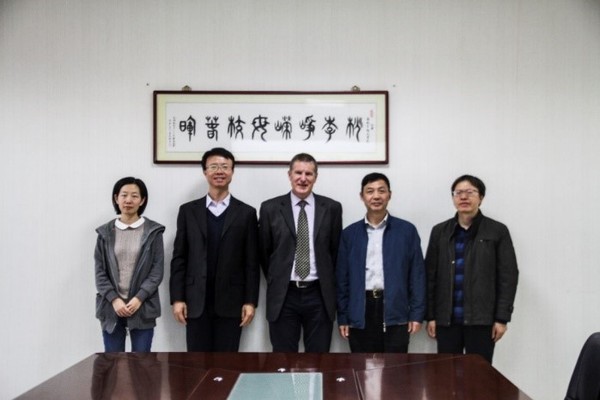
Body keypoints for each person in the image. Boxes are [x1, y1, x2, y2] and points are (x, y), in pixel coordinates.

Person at [170, 147, 259, 352]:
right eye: (214, 166)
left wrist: (250, 301)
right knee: (196, 362)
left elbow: (251, 263)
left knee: (227, 363)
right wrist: (177, 298)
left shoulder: (246, 213)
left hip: (232, 302)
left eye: (225, 167)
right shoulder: (188, 211)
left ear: (232, 172)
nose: (219, 171)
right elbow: (179, 258)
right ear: (205, 171)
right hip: (195, 301)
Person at [425, 174, 518, 363]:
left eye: (470, 192)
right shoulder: (440, 231)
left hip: (482, 320)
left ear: (481, 197)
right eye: (458, 193)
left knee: (479, 373)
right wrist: (431, 316)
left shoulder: (496, 231)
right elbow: (430, 276)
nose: (463, 197)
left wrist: (502, 318)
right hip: (447, 320)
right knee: (446, 372)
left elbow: (508, 276)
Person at [259, 153, 342, 352]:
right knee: (283, 357)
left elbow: (335, 251)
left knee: (318, 357)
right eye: (298, 173)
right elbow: (264, 252)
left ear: (316, 177)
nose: (303, 178)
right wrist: (278, 278)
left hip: (319, 294)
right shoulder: (270, 208)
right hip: (284, 295)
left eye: (309, 174)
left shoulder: (331, 208)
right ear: (289, 175)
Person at [336, 173, 425, 352]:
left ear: (389, 195)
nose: (376, 196)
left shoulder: (406, 231)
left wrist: (416, 314)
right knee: (362, 365)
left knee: (395, 366)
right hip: (360, 309)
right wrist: (343, 317)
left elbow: (417, 275)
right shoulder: (350, 234)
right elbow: (342, 280)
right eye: (370, 191)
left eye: (381, 191)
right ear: (362, 196)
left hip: (395, 308)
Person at [94, 177, 165, 352]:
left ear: (142, 200)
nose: (128, 200)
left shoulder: (153, 232)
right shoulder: (104, 233)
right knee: (113, 361)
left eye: (134, 196)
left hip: (143, 305)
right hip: (112, 307)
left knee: (142, 362)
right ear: (116, 198)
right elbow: (100, 272)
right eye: (124, 195)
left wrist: (139, 298)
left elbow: (156, 271)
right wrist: (114, 299)